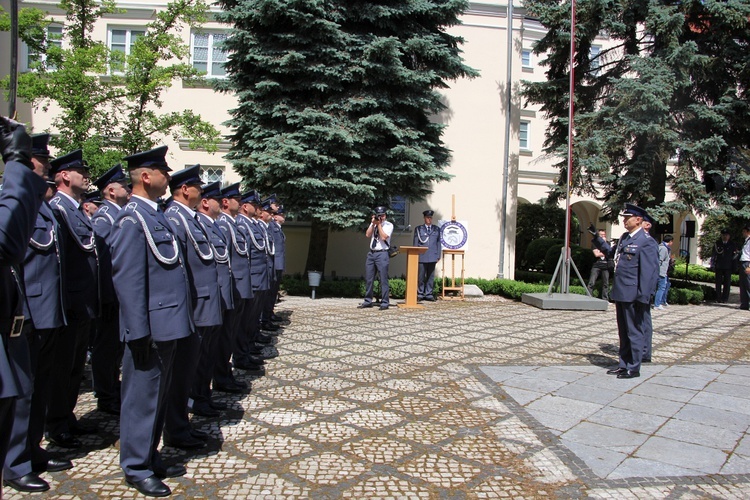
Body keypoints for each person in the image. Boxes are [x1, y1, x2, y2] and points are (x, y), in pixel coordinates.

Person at [111, 145, 193, 497]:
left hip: (170, 323)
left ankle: (150, 454)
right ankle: (135, 466)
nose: (169, 177)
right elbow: (127, 281)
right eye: (163, 171)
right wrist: (138, 332)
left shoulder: (156, 215)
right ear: (146, 176)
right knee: (141, 398)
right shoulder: (132, 219)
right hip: (150, 328)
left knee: (158, 397)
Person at [0, 123, 53, 491]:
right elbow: (8, 244)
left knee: (29, 391)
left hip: (23, 312)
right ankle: (17, 461)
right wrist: (16, 164)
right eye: (37, 160)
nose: (43, 166)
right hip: (21, 314)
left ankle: (25, 452)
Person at [163, 165, 222, 450]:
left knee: (190, 369)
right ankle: (175, 427)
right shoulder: (175, 218)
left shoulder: (191, 219)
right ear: (185, 189)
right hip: (191, 307)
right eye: (199, 185)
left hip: (201, 305)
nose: (203, 190)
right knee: (181, 373)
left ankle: (181, 425)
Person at [47, 149, 99, 448]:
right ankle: (56, 424)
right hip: (69, 302)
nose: (85, 175)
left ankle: (66, 416)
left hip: (83, 302)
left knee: (75, 366)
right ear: (65, 175)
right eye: (80, 170)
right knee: (61, 366)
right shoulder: (59, 209)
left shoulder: (76, 209)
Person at [591, 204, 658, 379]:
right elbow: (610, 253)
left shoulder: (646, 241)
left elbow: (649, 272)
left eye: (628, 217)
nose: (624, 220)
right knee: (623, 331)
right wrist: (596, 238)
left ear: (638, 220)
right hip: (621, 292)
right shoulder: (625, 238)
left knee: (634, 331)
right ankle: (623, 363)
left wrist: (644, 296)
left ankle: (634, 367)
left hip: (634, 294)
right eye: (624, 217)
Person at [90, 164, 130, 417]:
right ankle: (106, 395)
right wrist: (109, 296)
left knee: (115, 347)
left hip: (119, 293)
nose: (128, 188)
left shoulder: (119, 214)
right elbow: (107, 260)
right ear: (111, 191)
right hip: (110, 294)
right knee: (106, 347)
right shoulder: (104, 217)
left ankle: (112, 389)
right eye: (124, 185)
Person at [192, 181, 234, 416]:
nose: (223, 203)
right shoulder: (198, 225)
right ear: (206, 203)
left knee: (208, 351)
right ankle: (196, 397)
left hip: (215, 296)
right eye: (218, 199)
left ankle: (203, 395)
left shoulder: (213, 226)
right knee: (200, 354)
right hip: (205, 299)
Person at [213, 183, 256, 387]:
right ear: (225, 202)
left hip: (238, 287)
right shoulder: (223, 224)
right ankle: (221, 376)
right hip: (231, 288)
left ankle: (225, 375)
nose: (240, 203)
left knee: (230, 334)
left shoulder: (232, 224)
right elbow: (225, 261)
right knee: (224, 337)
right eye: (236, 200)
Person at [358, 206, 393, 310]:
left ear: (385, 215)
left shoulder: (388, 225)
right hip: (371, 253)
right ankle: (368, 301)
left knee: (383, 279)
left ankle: (385, 302)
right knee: (369, 278)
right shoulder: (374, 223)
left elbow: (383, 237)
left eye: (382, 215)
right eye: (379, 215)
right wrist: (373, 224)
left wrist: (379, 225)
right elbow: (368, 234)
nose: (381, 217)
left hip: (382, 253)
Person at [413, 209, 441, 301]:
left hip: (433, 256)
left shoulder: (436, 229)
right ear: (424, 218)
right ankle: (420, 293)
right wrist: (415, 255)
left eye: (430, 218)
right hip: (422, 256)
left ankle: (428, 294)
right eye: (427, 218)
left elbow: (438, 243)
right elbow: (415, 243)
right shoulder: (418, 229)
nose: (429, 219)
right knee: (421, 276)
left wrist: (438, 255)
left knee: (430, 276)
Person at [712, 229, 737, 303]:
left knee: (727, 283)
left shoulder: (732, 244)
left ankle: (725, 298)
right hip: (719, 266)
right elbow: (714, 255)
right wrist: (713, 265)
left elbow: (734, 257)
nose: (724, 237)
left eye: (726, 235)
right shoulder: (717, 243)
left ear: (729, 236)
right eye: (723, 235)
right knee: (718, 283)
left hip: (728, 266)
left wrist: (735, 267)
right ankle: (718, 297)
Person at [587, 229, 610, 301]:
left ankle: (605, 299)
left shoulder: (608, 244)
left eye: (604, 235)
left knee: (606, 283)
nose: (603, 236)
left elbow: (610, 252)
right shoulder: (595, 243)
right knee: (592, 282)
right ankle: (589, 297)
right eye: (601, 235)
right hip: (597, 265)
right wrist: (606, 252)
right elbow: (596, 254)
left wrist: (605, 247)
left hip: (606, 265)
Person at [654, 235, 674, 310]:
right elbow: (660, 260)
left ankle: (662, 301)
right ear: (670, 241)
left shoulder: (663, 247)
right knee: (661, 288)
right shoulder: (663, 248)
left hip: (662, 271)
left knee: (665, 286)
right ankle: (657, 304)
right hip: (661, 272)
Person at [739, 225, 750, 311]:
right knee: (743, 284)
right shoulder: (746, 241)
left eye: (744, 231)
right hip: (743, 262)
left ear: (748, 232)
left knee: (748, 284)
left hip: (747, 263)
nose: (743, 233)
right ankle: (744, 303)